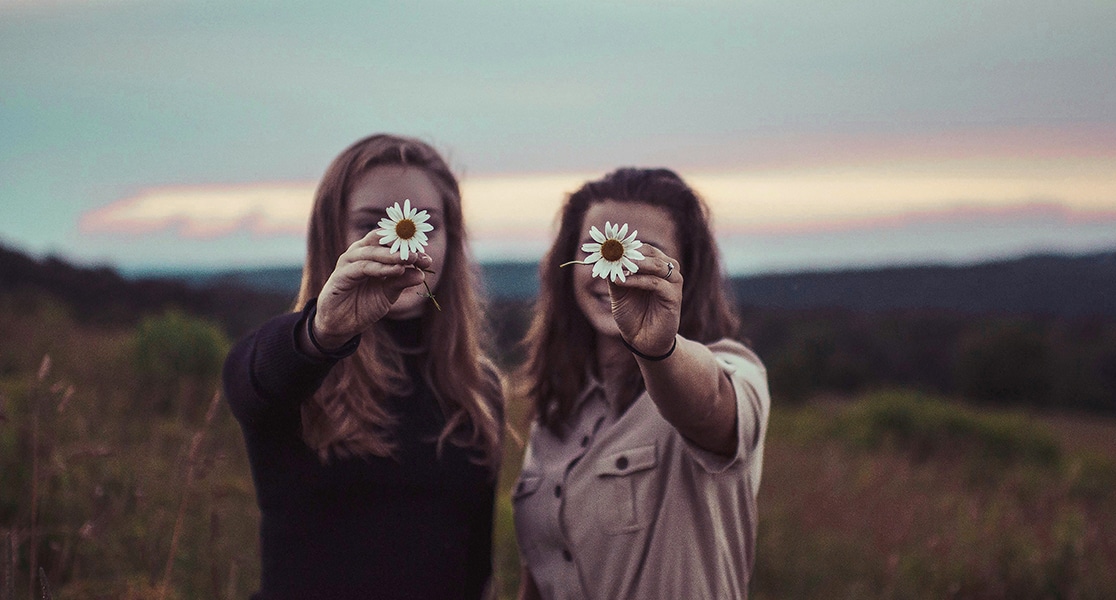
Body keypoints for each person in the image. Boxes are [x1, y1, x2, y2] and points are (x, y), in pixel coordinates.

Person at [222, 134, 503, 599]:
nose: (400, 242)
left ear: (454, 242)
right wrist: (322, 333)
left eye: (424, 225)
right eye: (372, 224)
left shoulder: (478, 388)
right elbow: (249, 378)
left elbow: (478, 570)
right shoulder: (298, 364)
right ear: (331, 235)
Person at [512, 168, 771, 599]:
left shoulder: (731, 370)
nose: (615, 270)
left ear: (687, 270)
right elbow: (543, 573)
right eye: (599, 248)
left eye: (645, 253)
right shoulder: (558, 410)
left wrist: (659, 348)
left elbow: (708, 406)